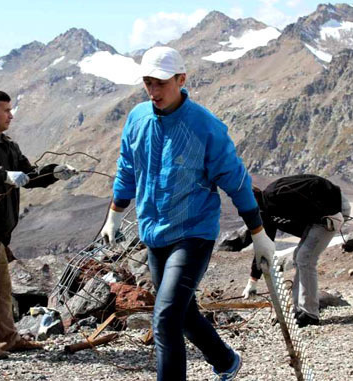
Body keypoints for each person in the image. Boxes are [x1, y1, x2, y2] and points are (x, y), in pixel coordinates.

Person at [101, 46, 275, 381]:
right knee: (182, 312)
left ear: (181, 79)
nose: (153, 91)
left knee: (165, 318)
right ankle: (226, 362)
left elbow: (237, 182)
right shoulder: (137, 119)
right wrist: (114, 213)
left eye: (160, 83)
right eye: (148, 83)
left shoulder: (206, 127)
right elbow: (127, 169)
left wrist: (258, 234)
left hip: (193, 233)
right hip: (154, 232)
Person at [0, 90, 78, 360]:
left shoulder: (7, 145)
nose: (11, 115)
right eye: (6, 110)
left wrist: (54, 172)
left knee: (3, 287)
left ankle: (7, 339)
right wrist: (3, 175)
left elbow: (28, 175)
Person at [241, 174, 351, 328]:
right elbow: (264, 245)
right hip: (318, 219)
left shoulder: (277, 193)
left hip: (332, 209)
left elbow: (316, 183)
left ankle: (310, 314)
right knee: (299, 257)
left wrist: (331, 211)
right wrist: (253, 280)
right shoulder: (266, 214)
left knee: (305, 258)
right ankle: (299, 308)